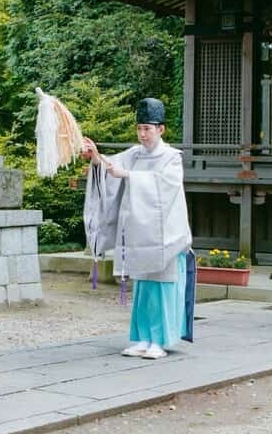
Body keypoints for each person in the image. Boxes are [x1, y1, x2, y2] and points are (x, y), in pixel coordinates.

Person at [81, 98, 195, 360]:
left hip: (167, 234)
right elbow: (111, 167)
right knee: (144, 288)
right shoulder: (134, 154)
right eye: (140, 128)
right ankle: (144, 338)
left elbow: (166, 186)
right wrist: (96, 156)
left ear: (161, 129)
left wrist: (130, 176)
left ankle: (161, 340)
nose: (143, 134)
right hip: (142, 234)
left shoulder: (172, 158)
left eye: (148, 129)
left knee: (162, 287)